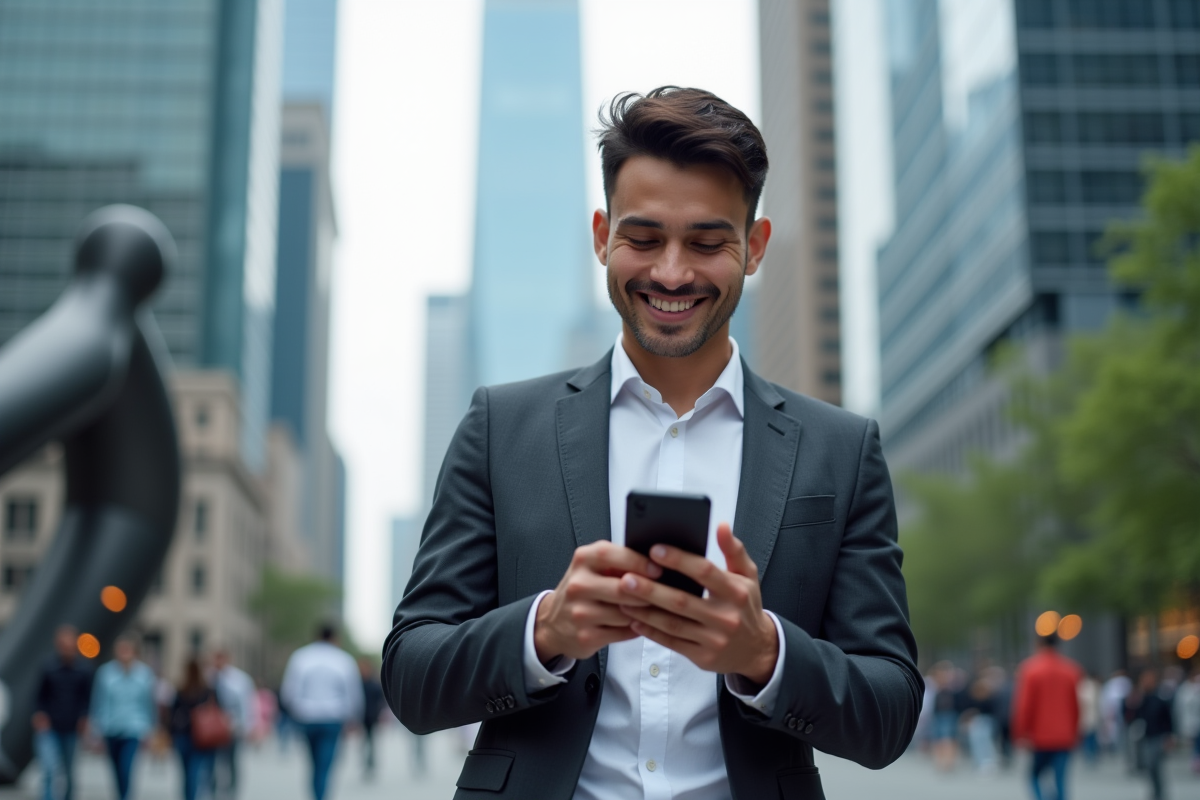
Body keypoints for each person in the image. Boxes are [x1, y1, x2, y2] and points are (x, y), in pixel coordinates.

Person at [382, 86, 922, 799]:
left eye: (706, 242)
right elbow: (412, 678)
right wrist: (544, 631)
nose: (672, 272)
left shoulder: (841, 451)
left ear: (753, 247)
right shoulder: (500, 428)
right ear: (602, 234)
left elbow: (888, 712)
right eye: (642, 239)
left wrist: (764, 654)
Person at [280, 624, 364, 800]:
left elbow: (289, 691)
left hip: (307, 717)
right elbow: (353, 692)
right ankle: (321, 795)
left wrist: (296, 709)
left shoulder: (301, 657)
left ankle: (317, 794)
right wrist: (354, 717)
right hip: (332, 718)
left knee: (313, 762)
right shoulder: (343, 660)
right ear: (335, 638)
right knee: (325, 763)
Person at [1012, 633, 1082, 800]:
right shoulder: (1071, 669)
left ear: (1038, 644)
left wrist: (1020, 733)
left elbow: (1024, 706)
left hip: (1039, 736)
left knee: (1034, 776)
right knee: (1060, 780)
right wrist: (1076, 731)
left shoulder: (1030, 669)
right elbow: (1076, 705)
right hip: (1065, 735)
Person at [89, 634, 157, 800]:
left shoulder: (144, 674)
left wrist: (151, 730)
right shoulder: (105, 673)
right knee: (116, 770)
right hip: (111, 728)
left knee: (126, 768)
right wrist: (95, 729)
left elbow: (149, 704)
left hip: (133, 728)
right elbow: (99, 702)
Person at [33, 625, 93, 800]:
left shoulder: (84, 670)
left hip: (72, 728)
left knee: (69, 771)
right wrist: (39, 714)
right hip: (50, 727)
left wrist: (85, 717)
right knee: (49, 769)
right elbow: (39, 697)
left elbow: (86, 699)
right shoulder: (48, 667)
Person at [170, 658, 221, 800]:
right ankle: (192, 795)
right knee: (195, 770)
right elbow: (219, 711)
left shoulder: (182, 690)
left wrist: (171, 733)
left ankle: (189, 796)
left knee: (187, 772)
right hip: (201, 737)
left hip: (184, 735)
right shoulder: (207, 691)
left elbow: (172, 714)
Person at [210, 648, 256, 798]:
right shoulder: (208, 677)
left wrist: (247, 727)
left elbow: (246, 704)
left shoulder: (239, 679)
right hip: (211, 728)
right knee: (212, 761)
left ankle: (232, 791)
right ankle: (213, 789)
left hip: (233, 727)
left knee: (232, 761)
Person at [1128, 669, 1174, 800]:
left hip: (1158, 736)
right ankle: (1155, 790)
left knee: (1154, 765)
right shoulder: (1140, 699)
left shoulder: (1160, 698)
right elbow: (1132, 716)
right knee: (1149, 766)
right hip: (1145, 736)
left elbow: (1168, 719)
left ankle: (1159, 791)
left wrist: (1169, 736)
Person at [358, 657, 385, 779]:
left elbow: (381, 701)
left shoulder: (374, 685)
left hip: (372, 717)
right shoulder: (358, 684)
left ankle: (371, 764)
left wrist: (379, 714)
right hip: (361, 718)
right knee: (363, 742)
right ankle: (365, 763)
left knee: (372, 742)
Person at [1174, 668, 1200, 773]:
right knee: (1195, 743)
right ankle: (1196, 763)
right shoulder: (1185, 689)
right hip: (1191, 722)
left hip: (1196, 721)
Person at [1077, 672, 1101, 764]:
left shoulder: (1086, 687)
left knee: (1090, 737)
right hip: (1089, 716)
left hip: (1090, 716)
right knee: (1089, 737)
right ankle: (1090, 755)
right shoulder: (1090, 687)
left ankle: (1090, 755)